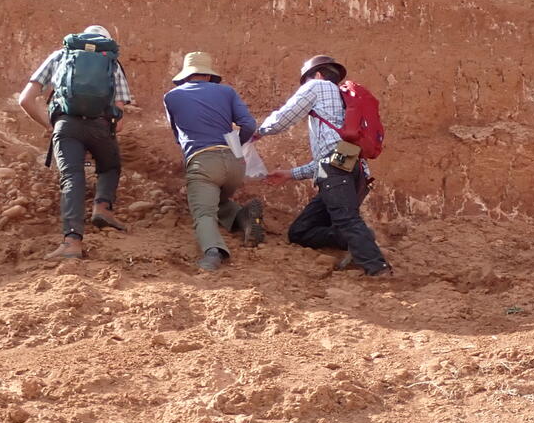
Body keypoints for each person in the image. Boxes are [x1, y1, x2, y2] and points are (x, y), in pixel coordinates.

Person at [254, 55, 392, 277]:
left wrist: (259, 131)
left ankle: (377, 268)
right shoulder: (341, 101)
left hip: (337, 172)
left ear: (317, 75)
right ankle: (359, 239)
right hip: (352, 167)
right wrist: (290, 174)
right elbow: (330, 159)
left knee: (346, 219)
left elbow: (286, 116)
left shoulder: (317, 85)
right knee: (300, 231)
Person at [18, 24, 134, 259]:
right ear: (106, 43)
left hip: (66, 125)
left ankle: (72, 242)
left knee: (72, 178)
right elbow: (119, 121)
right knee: (110, 165)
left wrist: (50, 125)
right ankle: (102, 208)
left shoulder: (60, 56)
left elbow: (25, 99)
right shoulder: (111, 62)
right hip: (101, 126)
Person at [163, 52, 265, 272]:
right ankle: (242, 216)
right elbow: (248, 124)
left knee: (203, 212)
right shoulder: (227, 92)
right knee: (216, 200)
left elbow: (177, 136)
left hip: (203, 162)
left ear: (186, 76)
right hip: (235, 163)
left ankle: (212, 253)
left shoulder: (171, 97)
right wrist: (236, 144)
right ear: (208, 76)